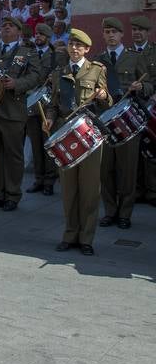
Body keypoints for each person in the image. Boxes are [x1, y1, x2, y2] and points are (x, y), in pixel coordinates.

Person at [44, 29, 111, 255]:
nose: (74, 49)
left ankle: (86, 238)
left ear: (87, 49)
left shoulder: (97, 70)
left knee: (90, 188)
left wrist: (103, 97)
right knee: (69, 188)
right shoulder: (59, 72)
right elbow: (53, 103)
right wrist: (50, 118)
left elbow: (108, 101)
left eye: (79, 46)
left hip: (89, 135)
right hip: (65, 134)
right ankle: (70, 234)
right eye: (72, 44)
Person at [95, 17, 152, 229]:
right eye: (107, 32)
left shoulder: (134, 57)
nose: (110, 35)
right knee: (106, 169)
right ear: (103, 35)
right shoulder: (98, 60)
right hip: (105, 122)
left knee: (127, 170)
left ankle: (125, 213)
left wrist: (141, 87)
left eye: (114, 32)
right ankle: (110, 211)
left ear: (121, 35)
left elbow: (149, 85)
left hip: (128, 122)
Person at [0, 16, 41, 211]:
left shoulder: (28, 52)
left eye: (11, 26)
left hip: (13, 109)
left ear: (19, 31)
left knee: (14, 155)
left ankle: (13, 195)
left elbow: (36, 76)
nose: (6, 28)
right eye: (3, 26)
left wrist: (17, 84)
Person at [26, 23, 67, 196]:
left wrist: (55, 77)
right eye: (37, 34)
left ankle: (50, 180)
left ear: (49, 38)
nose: (38, 37)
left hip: (49, 105)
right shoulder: (30, 54)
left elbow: (66, 74)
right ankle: (39, 178)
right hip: (31, 105)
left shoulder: (56, 56)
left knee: (48, 144)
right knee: (36, 144)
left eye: (42, 35)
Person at [129, 16, 156, 207]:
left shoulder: (154, 52)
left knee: (152, 149)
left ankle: (153, 191)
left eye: (140, 30)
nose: (137, 33)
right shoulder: (127, 53)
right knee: (136, 150)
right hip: (134, 107)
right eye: (134, 29)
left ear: (148, 32)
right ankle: (137, 190)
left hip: (153, 106)